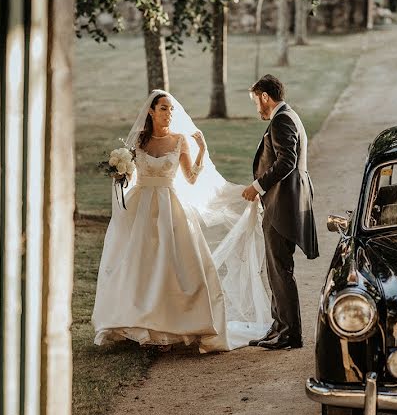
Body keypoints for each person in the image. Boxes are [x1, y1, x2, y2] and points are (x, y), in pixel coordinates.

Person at [92, 90, 271, 352]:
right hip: (141, 207)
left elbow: (191, 178)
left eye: (171, 109)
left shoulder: (179, 141)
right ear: (151, 111)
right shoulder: (137, 144)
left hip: (169, 206)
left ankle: (173, 326)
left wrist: (201, 151)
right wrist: (119, 173)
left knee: (174, 265)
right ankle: (136, 323)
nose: (169, 114)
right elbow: (128, 176)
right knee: (138, 264)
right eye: (163, 108)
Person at [243, 75, 319, 350]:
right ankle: (279, 327)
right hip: (283, 203)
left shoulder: (281, 119)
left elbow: (286, 159)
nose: (257, 108)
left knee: (280, 269)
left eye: (256, 101)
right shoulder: (289, 115)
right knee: (276, 268)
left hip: (283, 205)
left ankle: (290, 334)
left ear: (264, 96)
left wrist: (258, 186)